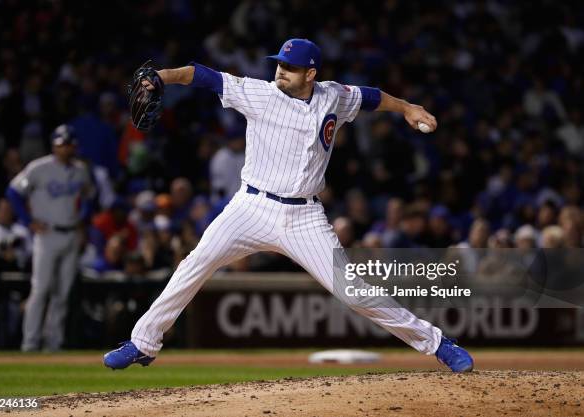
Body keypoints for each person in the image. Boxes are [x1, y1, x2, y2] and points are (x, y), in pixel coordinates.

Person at [104, 39, 473, 372]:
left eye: (291, 66)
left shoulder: (333, 96)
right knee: (194, 263)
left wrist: (407, 107)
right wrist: (161, 77)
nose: (281, 69)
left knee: (353, 290)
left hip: (304, 216)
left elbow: (372, 96)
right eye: (279, 62)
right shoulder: (259, 94)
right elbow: (201, 75)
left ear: (310, 73)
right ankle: (143, 343)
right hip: (251, 207)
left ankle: (438, 344)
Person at [6, 124, 95, 352]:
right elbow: (13, 192)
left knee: (62, 293)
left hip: (72, 233)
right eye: (60, 145)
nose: (64, 149)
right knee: (41, 289)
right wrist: (28, 221)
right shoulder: (38, 168)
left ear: (74, 146)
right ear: (54, 146)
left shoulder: (80, 169)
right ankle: (30, 343)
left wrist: (83, 218)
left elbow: (89, 196)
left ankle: (53, 344)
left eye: (68, 144)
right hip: (46, 235)